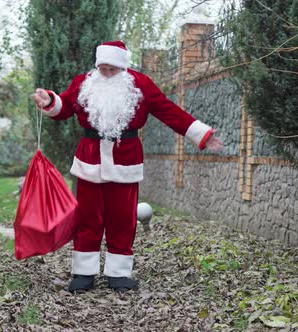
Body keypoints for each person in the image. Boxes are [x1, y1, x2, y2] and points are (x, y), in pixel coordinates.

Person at [33, 40, 223, 293]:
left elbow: (168, 110)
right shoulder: (84, 82)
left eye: (113, 69)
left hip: (126, 160)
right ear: (97, 65)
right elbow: (65, 106)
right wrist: (50, 101)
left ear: (123, 67)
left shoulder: (141, 84)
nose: (108, 73)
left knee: (122, 219)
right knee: (88, 218)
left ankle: (118, 274)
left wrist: (201, 134)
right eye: (103, 68)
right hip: (90, 159)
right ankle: (83, 274)